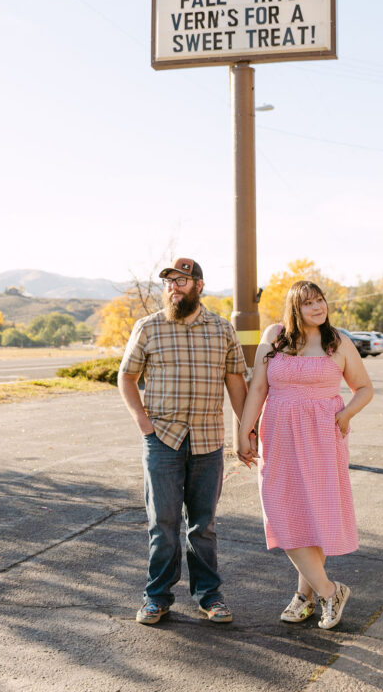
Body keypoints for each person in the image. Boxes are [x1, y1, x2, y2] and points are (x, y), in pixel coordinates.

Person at [118, 257, 248, 626]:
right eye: (169, 282)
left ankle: (210, 596)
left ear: (199, 285)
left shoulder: (222, 330)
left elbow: (236, 383)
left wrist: (245, 430)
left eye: (181, 281)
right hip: (163, 440)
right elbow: (126, 377)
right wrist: (142, 421)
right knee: (163, 522)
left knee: (203, 525)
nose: (174, 287)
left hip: (208, 440)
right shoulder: (149, 327)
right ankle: (156, 597)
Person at [237, 280, 374, 630]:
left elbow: (364, 389)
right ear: (294, 309)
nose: (318, 308)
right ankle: (330, 590)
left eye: (321, 301)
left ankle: (307, 596)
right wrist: (243, 431)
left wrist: (345, 415)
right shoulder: (274, 335)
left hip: (322, 438)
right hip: (279, 436)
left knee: (317, 513)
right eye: (309, 303)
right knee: (282, 513)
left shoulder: (337, 341)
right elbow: (258, 388)